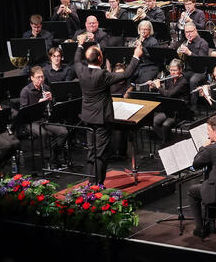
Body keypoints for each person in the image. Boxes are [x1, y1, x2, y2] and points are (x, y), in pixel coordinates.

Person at [74, 37, 142, 184]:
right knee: (101, 153)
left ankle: (91, 182)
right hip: (102, 119)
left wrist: (80, 45)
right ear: (100, 58)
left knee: (91, 151)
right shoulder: (103, 75)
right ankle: (98, 184)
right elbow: (126, 74)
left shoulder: (81, 71)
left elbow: (76, 60)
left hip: (87, 117)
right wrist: (136, 55)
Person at [19, 66, 67, 162]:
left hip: (45, 119)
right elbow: (23, 112)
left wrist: (51, 99)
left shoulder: (46, 88)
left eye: (42, 77)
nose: (41, 80)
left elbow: (53, 105)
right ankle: (46, 160)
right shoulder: (26, 91)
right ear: (32, 78)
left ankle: (55, 154)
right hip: (31, 121)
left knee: (63, 132)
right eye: (38, 77)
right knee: (43, 133)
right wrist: (38, 103)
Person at [148, 59, 190, 145]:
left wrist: (158, 87)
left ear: (180, 70)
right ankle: (168, 142)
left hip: (180, 111)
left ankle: (165, 143)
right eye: (171, 70)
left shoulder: (184, 82)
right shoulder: (169, 79)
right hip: (169, 110)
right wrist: (154, 87)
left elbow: (170, 94)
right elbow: (164, 94)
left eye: (175, 70)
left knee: (165, 125)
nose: (172, 72)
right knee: (154, 121)